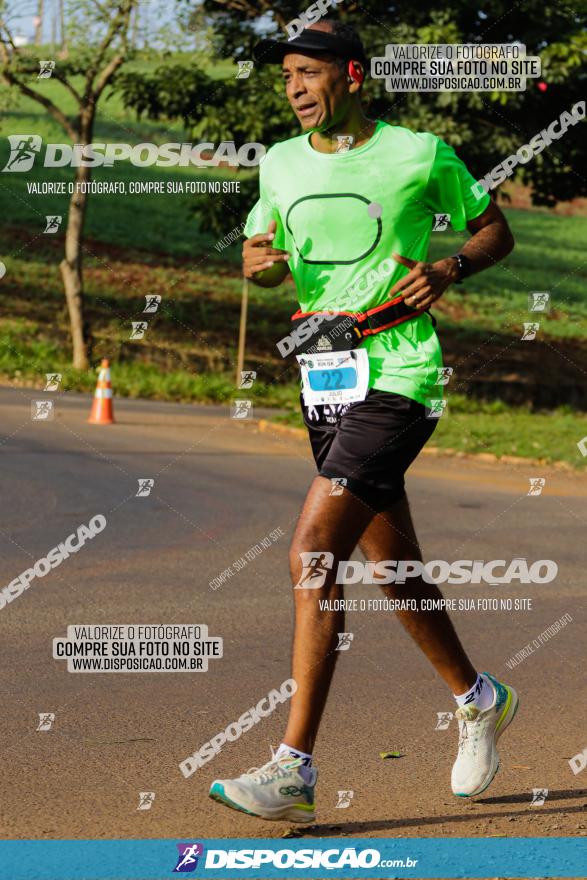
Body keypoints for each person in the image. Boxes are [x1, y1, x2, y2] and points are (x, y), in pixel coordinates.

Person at [209, 19, 518, 823]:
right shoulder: (278, 162)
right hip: (323, 372)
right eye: (286, 79)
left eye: (308, 74)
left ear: (350, 75)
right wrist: (259, 261)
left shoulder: (418, 152)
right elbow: (258, 248)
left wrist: (448, 267)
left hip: (402, 370)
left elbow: (494, 229)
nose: (295, 90)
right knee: (391, 567)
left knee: (313, 551)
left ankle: (293, 768)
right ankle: (478, 697)